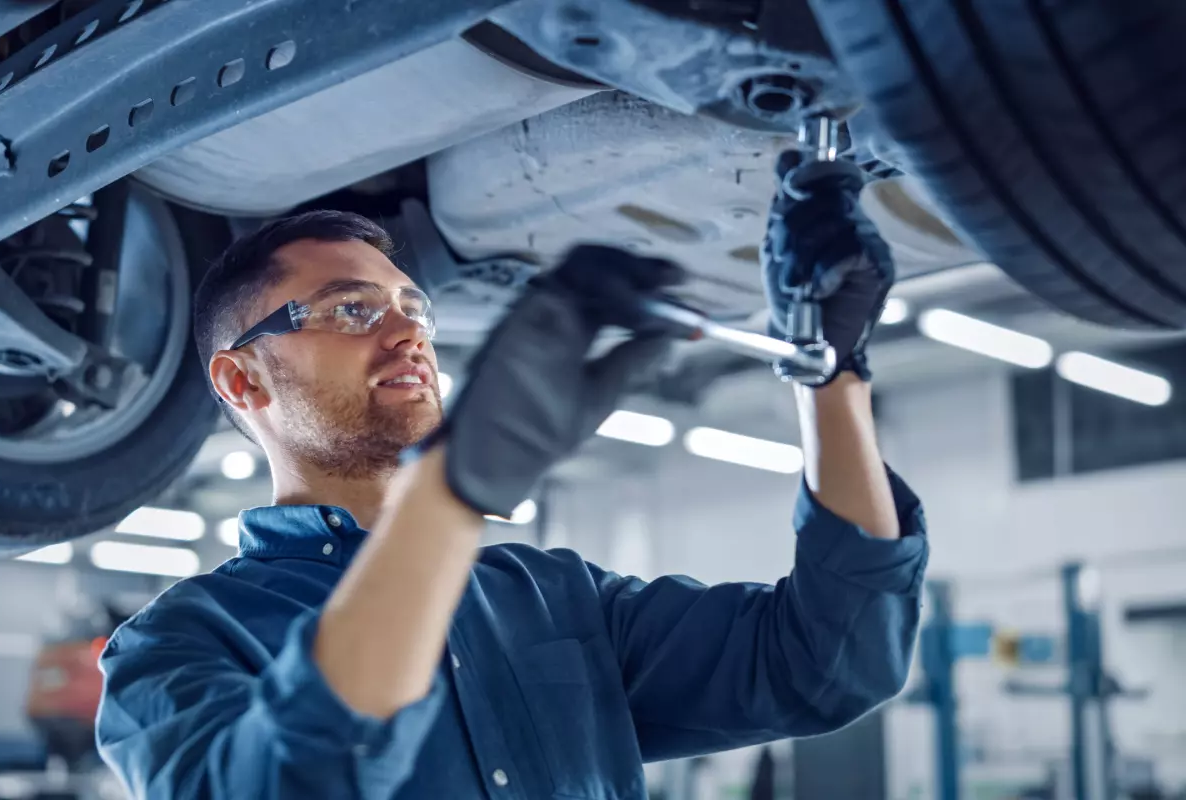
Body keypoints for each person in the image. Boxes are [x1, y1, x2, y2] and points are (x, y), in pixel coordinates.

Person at [95, 151, 929, 799]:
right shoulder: (175, 647)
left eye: (414, 309)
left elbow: (830, 661)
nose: (408, 334)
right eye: (353, 310)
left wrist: (832, 374)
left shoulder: (556, 599)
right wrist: (450, 494)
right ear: (243, 381)